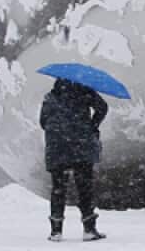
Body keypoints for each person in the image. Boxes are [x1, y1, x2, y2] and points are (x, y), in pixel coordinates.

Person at [40, 78, 108, 242]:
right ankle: (89, 229)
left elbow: (43, 122)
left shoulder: (50, 97)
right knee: (84, 187)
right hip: (81, 145)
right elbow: (103, 108)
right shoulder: (85, 92)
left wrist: (58, 131)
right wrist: (92, 124)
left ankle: (56, 231)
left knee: (58, 188)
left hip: (57, 147)